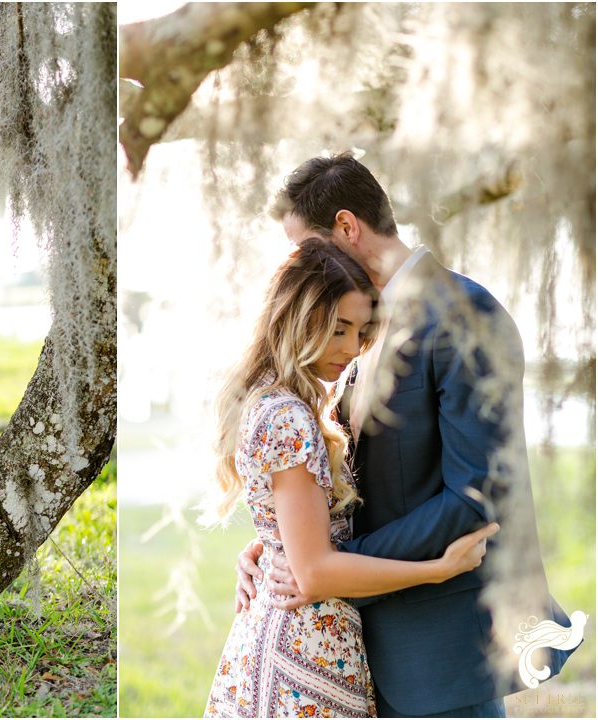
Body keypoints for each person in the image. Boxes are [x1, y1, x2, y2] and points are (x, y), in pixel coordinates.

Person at [234, 153, 576, 717]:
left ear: (347, 227)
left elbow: (473, 497)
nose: (305, 268)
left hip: (440, 653)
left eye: (308, 248)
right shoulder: (355, 331)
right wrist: (280, 543)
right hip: (356, 654)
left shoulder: (467, 316)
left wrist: (326, 563)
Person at [204, 238, 499, 718]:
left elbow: (299, 531)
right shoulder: (287, 416)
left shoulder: (279, 399)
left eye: (360, 332)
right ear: (298, 317)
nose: (350, 349)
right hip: (304, 652)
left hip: (309, 640)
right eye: (338, 329)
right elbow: (316, 572)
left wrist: (272, 544)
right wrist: (437, 570)